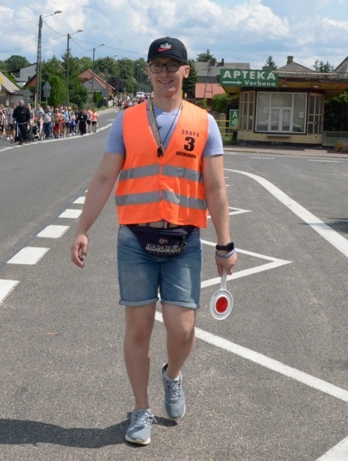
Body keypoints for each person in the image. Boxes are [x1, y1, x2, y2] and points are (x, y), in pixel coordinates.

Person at [69, 36, 237, 446]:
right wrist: (83, 227)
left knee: (182, 331)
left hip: (183, 239)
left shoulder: (204, 122)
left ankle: (173, 376)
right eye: (157, 67)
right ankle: (141, 409)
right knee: (139, 330)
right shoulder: (127, 121)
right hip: (135, 240)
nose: (165, 74)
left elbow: (215, 187)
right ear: (148, 71)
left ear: (185, 71)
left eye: (172, 66)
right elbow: (105, 177)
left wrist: (225, 243)